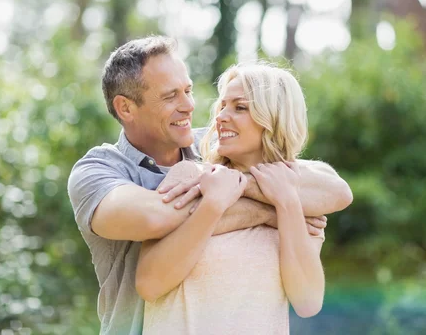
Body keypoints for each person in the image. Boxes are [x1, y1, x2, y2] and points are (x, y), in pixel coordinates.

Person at [67, 36, 353, 335]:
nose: (196, 108)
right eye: (170, 96)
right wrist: (262, 211)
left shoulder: (266, 182)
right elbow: (156, 224)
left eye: (188, 91)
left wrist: (279, 200)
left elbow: (337, 192)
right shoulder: (107, 170)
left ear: (274, 119)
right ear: (126, 108)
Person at [138, 62, 331, 334]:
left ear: (274, 118)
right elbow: (149, 284)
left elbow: (307, 302)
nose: (221, 117)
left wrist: (286, 204)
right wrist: (214, 205)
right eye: (222, 106)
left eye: (239, 107)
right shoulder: (190, 177)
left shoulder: (299, 199)